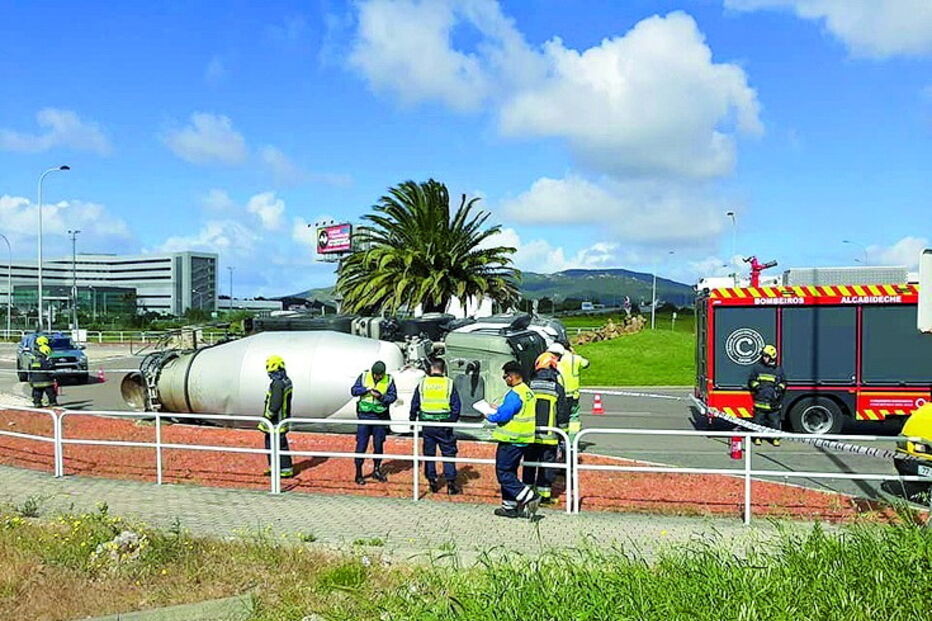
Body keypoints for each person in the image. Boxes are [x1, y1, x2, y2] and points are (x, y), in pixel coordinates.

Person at [484, 361, 542, 519]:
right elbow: (513, 411)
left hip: (511, 440)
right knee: (510, 472)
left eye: (505, 376)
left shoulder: (515, 394)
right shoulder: (527, 392)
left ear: (511, 376)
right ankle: (509, 506)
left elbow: (503, 416)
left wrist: (489, 414)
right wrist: (499, 409)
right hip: (523, 439)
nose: (504, 379)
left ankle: (529, 496)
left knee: (503, 472)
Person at [409, 358, 462, 495]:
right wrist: (451, 421)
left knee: (429, 453)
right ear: (443, 369)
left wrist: (412, 420)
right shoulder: (449, 384)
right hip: (444, 424)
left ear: (431, 369)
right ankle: (450, 483)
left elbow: (415, 403)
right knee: (448, 453)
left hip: (427, 425)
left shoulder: (423, 383)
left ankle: (432, 481)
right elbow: (456, 406)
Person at [523, 353, 568, 504]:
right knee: (546, 466)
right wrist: (563, 434)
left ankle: (527, 494)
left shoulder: (529, 385)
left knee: (529, 463)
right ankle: (544, 496)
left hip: (530, 433)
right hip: (550, 436)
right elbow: (562, 413)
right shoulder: (557, 388)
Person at [350, 360, 397, 485]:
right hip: (365, 415)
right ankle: (358, 473)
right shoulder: (364, 376)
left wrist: (381, 397)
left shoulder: (389, 379)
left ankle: (376, 469)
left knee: (378, 444)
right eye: (375, 375)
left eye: (379, 375)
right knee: (361, 444)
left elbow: (393, 397)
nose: (377, 377)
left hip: (380, 416)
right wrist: (365, 390)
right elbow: (354, 391)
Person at [259, 355, 294, 478]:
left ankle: (279, 469)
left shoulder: (277, 384)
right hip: (283, 419)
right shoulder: (287, 381)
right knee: (281, 445)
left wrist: (267, 417)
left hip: (275, 421)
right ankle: (284, 468)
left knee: (273, 445)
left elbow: (275, 403)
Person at [747, 344, 787, 447]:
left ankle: (775, 439)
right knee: (757, 421)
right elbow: (751, 380)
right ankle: (757, 438)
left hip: (773, 404)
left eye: (766, 356)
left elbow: (784, 382)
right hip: (760, 402)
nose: (764, 358)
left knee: (774, 422)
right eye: (763, 356)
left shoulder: (778, 370)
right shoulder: (757, 368)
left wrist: (779, 388)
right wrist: (757, 387)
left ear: (772, 357)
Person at [555, 342, 590, 440]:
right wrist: (574, 353)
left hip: (559, 393)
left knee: (559, 417)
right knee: (574, 417)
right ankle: (572, 440)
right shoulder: (575, 358)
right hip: (573, 394)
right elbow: (586, 364)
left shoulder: (555, 358)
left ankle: (561, 440)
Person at [29, 335, 57, 408]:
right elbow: (49, 369)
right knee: (50, 392)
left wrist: (30, 379)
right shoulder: (47, 360)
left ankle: (37, 403)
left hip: (36, 380)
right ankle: (52, 402)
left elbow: (31, 370)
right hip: (47, 380)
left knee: (37, 392)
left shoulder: (34, 358)